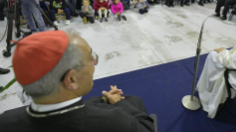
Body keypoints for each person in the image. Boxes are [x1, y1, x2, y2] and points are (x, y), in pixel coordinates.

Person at [0, 30, 155, 131]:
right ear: (71, 80)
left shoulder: (5, 120)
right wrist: (118, 102)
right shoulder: (115, 122)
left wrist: (101, 100)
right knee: (134, 101)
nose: (94, 63)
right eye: (90, 59)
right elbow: (147, 128)